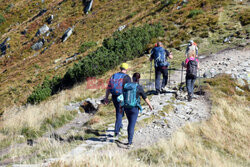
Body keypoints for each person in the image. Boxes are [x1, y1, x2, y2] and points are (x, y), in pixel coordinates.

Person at [123, 73, 153, 148]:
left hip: (126, 107)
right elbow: (144, 97)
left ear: (132, 78)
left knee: (130, 123)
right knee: (131, 124)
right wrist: (150, 105)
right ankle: (130, 143)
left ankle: (129, 141)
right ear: (138, 79)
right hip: (134, 108)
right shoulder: (138, 87)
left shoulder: (126, 86)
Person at [104, 63, 131, 137]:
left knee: (119, 111)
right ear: (126, 69)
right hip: (121, 97)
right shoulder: (127, 77)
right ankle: (117, 132)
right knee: (119, 113)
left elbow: (108, 88)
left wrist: (106, 98)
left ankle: (120, 125)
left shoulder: (113, 76)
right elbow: (129, 89)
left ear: (120, 68)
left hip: (114, 97)